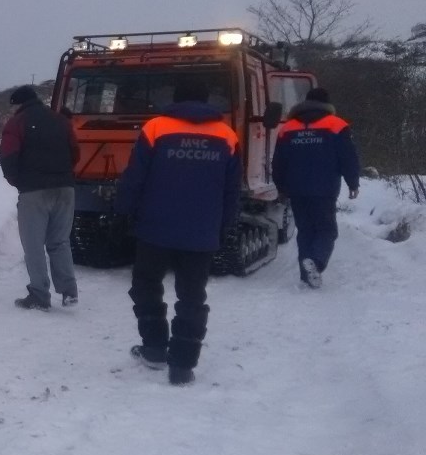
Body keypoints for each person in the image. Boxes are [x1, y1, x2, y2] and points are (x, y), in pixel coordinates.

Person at [115, 79, 240, 385]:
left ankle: (155, 348)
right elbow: (232, 190)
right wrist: (225, 227)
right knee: (192, 296)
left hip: (155, 229)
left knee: (146, 285)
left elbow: (135, 177)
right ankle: (183, 365)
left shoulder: (155, 127)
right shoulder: (227, 135)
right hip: (201, 234)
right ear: (207, 100)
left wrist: (122, 212)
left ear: (175, 99)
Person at [0, 85, 80, 311]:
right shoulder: (61, 121)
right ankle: (69, 292)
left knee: (34, 245)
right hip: (65, 188)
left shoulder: (17, 123)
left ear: (18, 104)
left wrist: (18, 181)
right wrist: (64, 175)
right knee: (60, 241)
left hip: (33, 191)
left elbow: (8, 155)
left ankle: (39, 294)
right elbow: (75, 152)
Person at [271, 87, 360, 289]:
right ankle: (317, 262)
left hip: (296, 190)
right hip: (324, 189)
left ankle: (306, 276)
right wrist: (353, 183)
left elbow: (278, 162)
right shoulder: (337, 125)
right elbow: (348, 157)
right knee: (327, 230)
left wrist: (281, 186)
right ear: (327, 104)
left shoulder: (287, 128)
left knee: (305, 231)